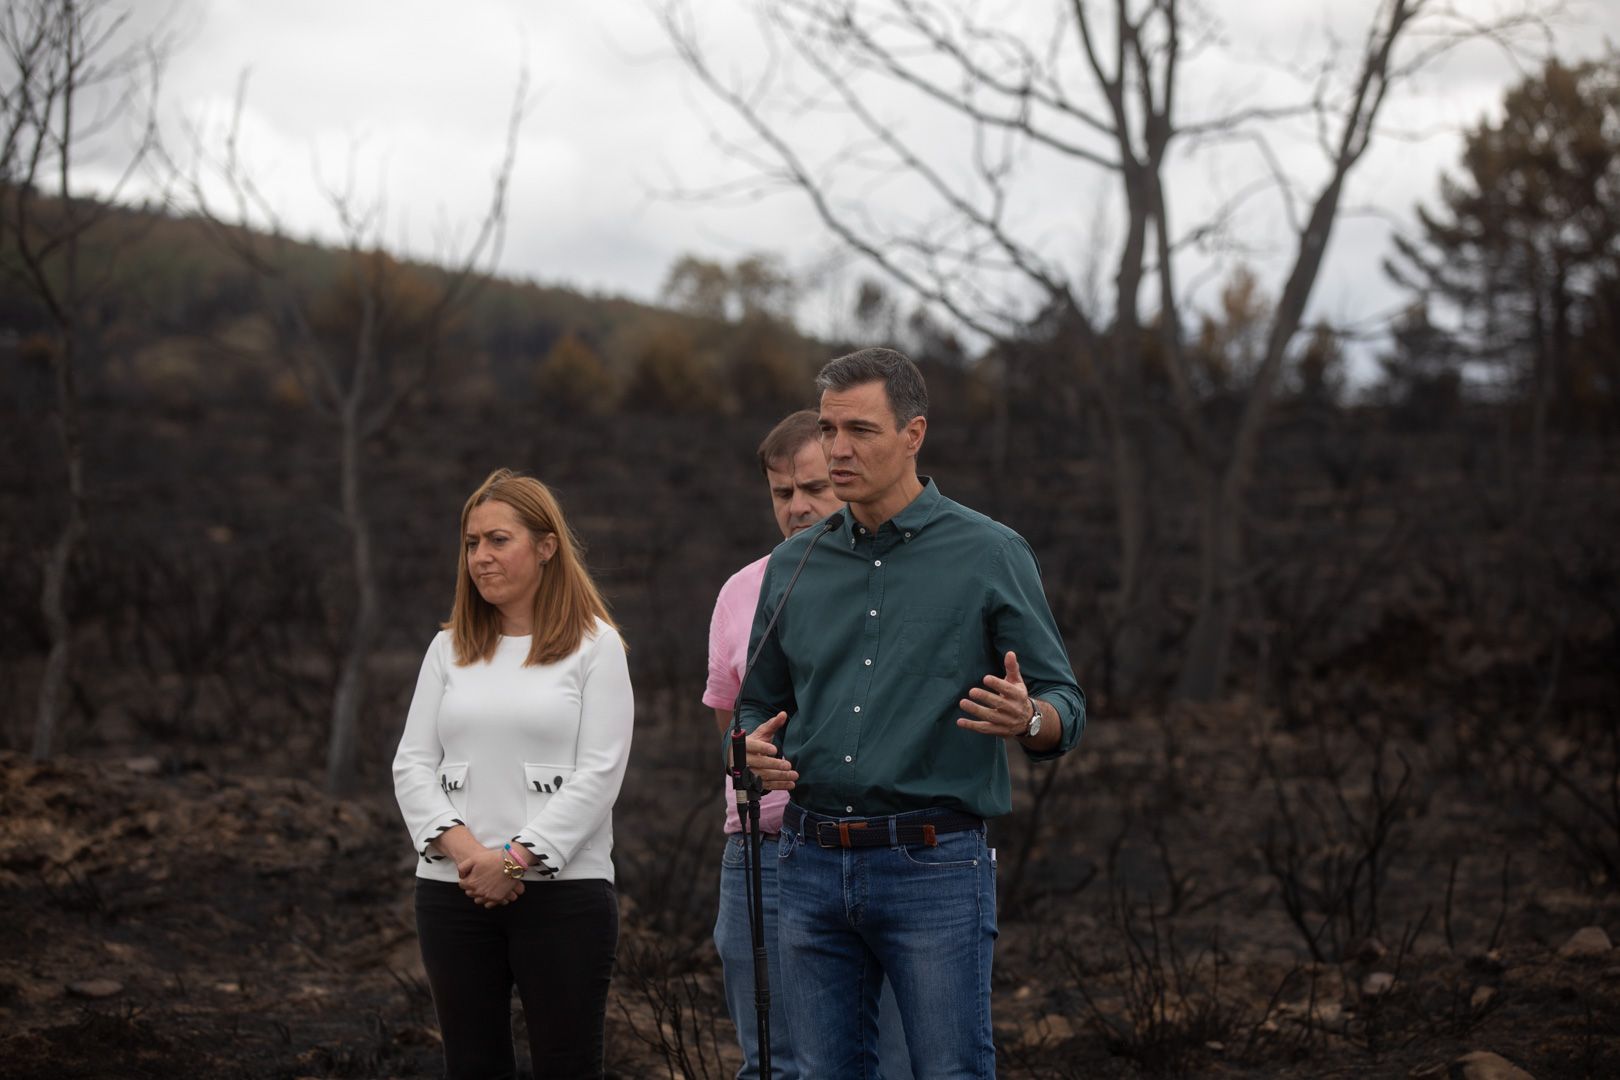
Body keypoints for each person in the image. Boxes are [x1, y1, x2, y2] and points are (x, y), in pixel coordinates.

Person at [737, 348, 1084, 1078]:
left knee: (950, 1070)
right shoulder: (795, 563)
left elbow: (1065, 705)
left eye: (859, 430)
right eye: (829, 429)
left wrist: (1028, 718)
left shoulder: (990, 552)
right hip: (807, 860)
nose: (837, 449)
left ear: (913, 433)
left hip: (932, 865)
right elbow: (757, 705)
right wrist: (752, 749)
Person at [394, 467, 633, 1080]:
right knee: (472, 1066)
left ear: (546, 546)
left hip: (565, 896)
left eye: (498, 540)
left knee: (567, 1065)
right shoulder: (447, 648)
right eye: (472, 543)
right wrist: (467, 851)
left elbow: (600, 774)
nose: (481, 556)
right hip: (452, 891)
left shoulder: (595, 646)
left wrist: (516, 860)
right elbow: (413, 763)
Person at [705, 411, 913, 1080]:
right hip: (762, 856)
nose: (797, 508)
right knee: (773, 1064)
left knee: (886, 1061)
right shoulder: (740, 592)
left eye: (814, 489)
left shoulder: (901, 580)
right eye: (781, 493)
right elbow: (731, 733)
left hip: (877, 849)